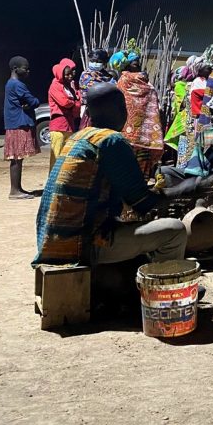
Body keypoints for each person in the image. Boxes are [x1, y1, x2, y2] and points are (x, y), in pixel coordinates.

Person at [34, 83, 189, 268]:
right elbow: (141, 203)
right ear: (122, 109)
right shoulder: (112, 141)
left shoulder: (80, 137)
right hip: (81, 244)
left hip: (53, 242)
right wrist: (190, 189)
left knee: (129, 232)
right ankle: (166, 287)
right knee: (175, 230)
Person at [112, 50, 165, 179]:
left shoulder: (124, 81)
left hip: (136, 131)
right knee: (135, 162)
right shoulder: (127, 81)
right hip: (140, 133)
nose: (139, 67)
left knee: (133, 162)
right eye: (135, 64)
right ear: (127, 66)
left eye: (138, 64)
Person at [3, 56, 40, 199]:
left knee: (17, 158)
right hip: (19, 123)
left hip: (15, 122)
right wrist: (31, 103)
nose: (28, 71)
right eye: (25, 68)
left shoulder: (10, 84)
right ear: (15, 68)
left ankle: (17, 188)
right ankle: (14, 191)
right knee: (17, 157)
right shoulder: (17, 85)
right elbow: (34, 101)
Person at [47, 57, 81, 169]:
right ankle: (53, 183)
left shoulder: (70, 86)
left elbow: (77, 103)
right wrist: (74, 102)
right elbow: (65, 102)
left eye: (71, 73)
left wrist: (75, 102)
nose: (70, 76)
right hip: (59, 125)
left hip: (69, 125)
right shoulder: (55, 86)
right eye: (67, 74)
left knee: (67, 156)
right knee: (56, 156)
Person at [78, 49, 114, 129]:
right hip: (89, 111)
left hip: (105, 112)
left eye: (98, 62)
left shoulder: (108, 77)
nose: (95, 63)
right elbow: (84, 92)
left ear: (104, 63)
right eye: (93, 61)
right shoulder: (85, 75)